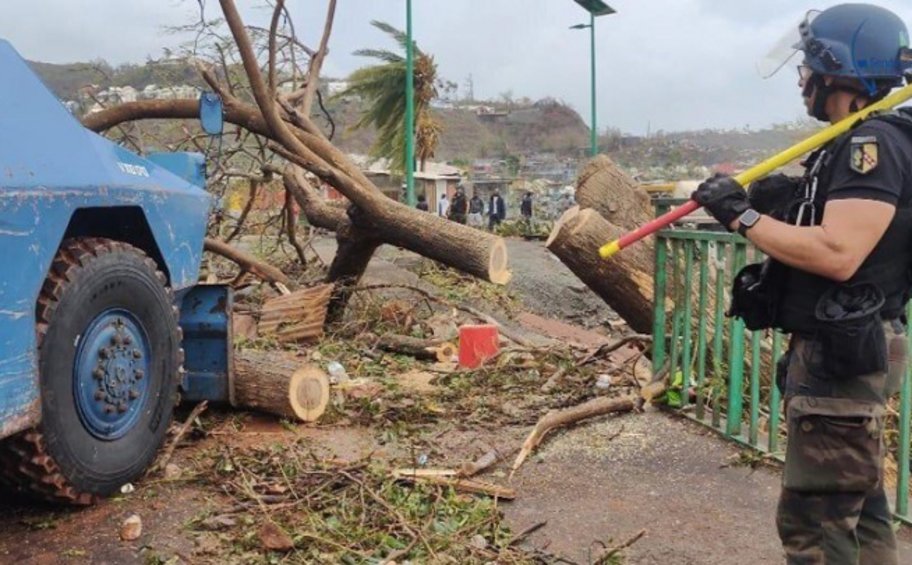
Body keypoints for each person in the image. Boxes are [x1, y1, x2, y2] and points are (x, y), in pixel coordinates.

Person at [692, 5, 912, 563]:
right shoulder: (857, 139)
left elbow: (840, 252)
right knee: (859, 514)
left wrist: (744, 219)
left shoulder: (873, 146)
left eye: (810, 66)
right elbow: (838, 222)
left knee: (816, 523)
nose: (802, 79)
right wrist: (781, 200)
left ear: (840, 73)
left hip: (846, 352)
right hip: (844, 348)